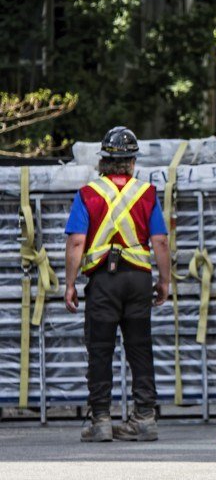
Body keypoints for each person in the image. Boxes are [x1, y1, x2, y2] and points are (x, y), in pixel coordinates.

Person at [63, 126, 171, 442]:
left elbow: (76, 242)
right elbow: (161, 242)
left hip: (103, 282)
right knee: (139, 348)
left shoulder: (87, 194)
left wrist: (70, 284)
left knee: (100, 350)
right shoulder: (147, 193)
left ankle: (101, 421)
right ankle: (144, 418)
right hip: (138, 280)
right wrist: (164, 281)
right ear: (132, 162)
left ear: (104, 161)